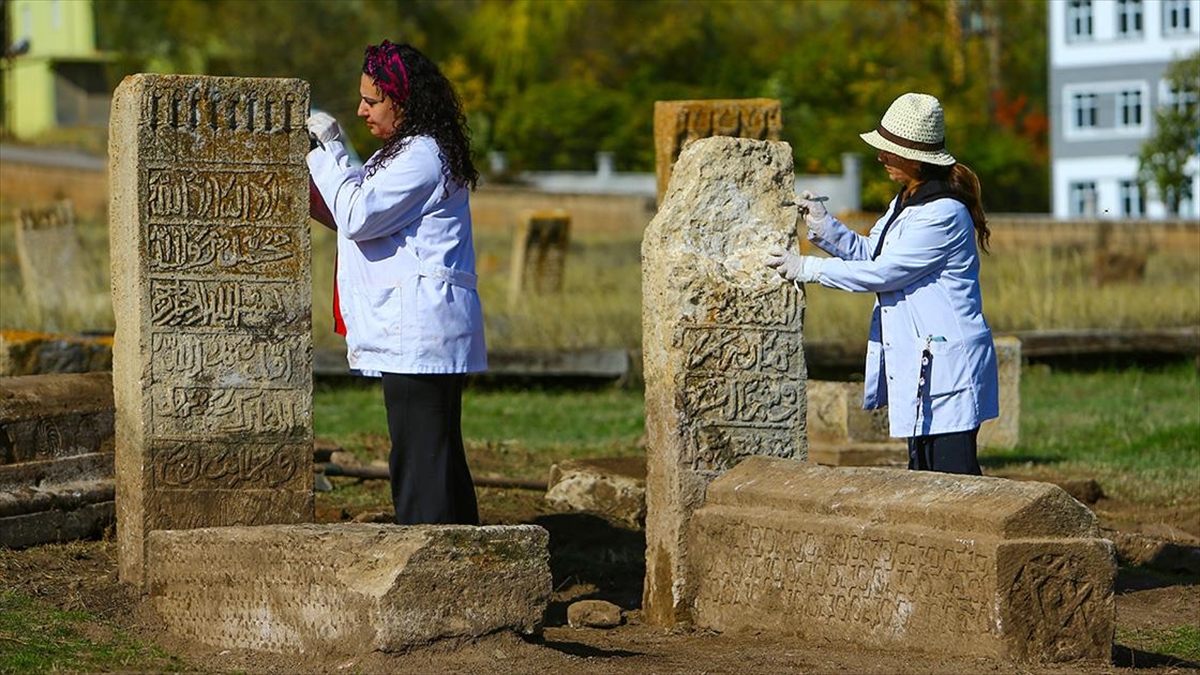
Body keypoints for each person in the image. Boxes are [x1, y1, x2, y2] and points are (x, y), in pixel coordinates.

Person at [766, 92, 998, 475]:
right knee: (925, 476)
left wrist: (806, 268)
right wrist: (823, 224)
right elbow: (873, 253)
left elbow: (884, 273)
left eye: (889, 150)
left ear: (915, 158)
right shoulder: (906, 201)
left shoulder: (942, 213)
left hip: (947, 364)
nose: (881, 157)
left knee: (954, 480)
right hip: (926, 359)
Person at [306, 40, 485, 524]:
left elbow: (360, 215)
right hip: (421, 328)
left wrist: (331, 149)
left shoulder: (421, 156)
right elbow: (353, 216)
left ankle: (429, 569)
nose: (362, 110)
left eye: (372, 100)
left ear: (402, 101)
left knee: (421, 464)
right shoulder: (406, 152)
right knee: (436, 458)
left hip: (421, 329)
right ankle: (462, 562)